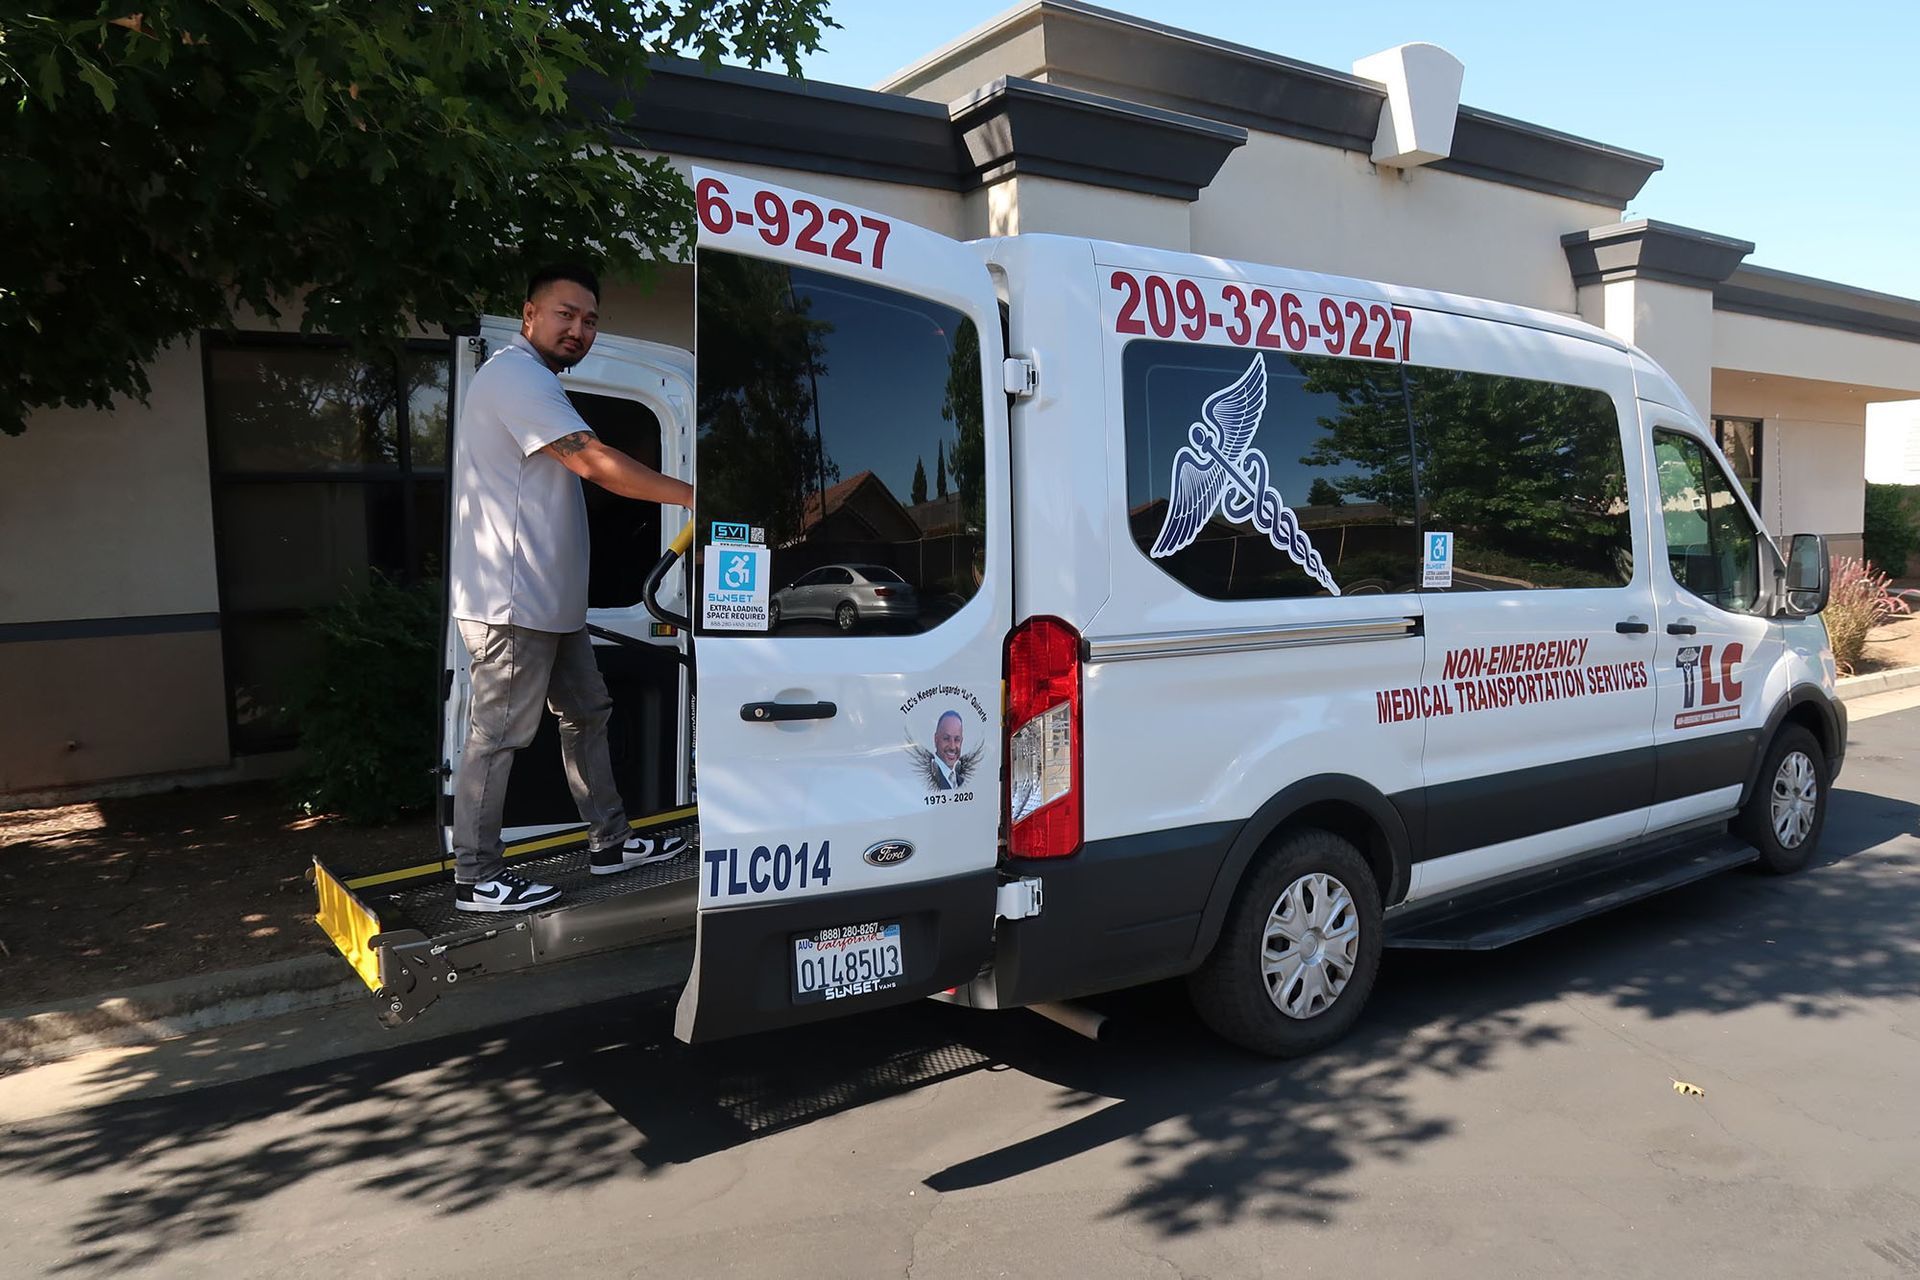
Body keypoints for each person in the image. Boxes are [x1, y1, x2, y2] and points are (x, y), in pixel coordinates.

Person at [446, 264, 694, 913]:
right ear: (529, 314)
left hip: (551, 604)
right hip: (511, 602)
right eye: (566, 314)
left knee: (587, 716)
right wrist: (697, 496)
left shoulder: (539, 384)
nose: (579, 329)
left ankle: (611, 842)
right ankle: (477, 877)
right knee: (497, 736)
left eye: (589, 320)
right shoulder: (515, 376)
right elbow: (593, 463)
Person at [931, 711, 964, 791]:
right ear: (936, 740)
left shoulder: (961, 781)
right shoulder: (928, 777)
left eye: (957, 739)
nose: (952, 747)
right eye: (946, 738)